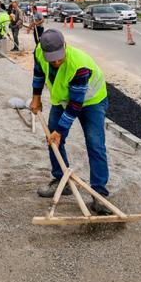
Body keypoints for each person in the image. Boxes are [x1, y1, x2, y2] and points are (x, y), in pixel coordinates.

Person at [29, 29, 111, 215]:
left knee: (95, 144)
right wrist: (36, 98)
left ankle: (99, 194)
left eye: (59, 58)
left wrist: (60, 130)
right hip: (63, 99)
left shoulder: (79, 65)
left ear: (64, 46)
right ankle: (62, 180)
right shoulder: (39, 52)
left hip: (92, 101)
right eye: (52, 60)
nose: (57, 62)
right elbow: (38, 73)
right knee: (53, 141)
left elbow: (76, 104)